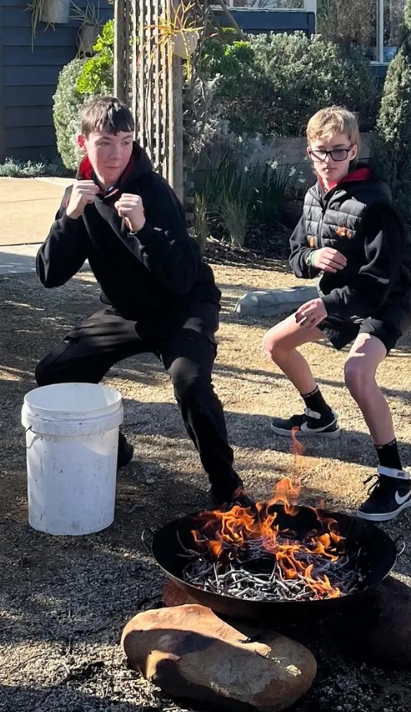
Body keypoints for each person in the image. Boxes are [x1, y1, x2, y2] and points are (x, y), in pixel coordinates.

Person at [34, 96, 247, 508]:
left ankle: (227, 485)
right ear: (83, 142)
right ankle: (116, 446)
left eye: (126, 142)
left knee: (191, 382)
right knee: (54, 373)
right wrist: (69, 219)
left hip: (184, 306)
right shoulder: (78, 195)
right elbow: (49, 275)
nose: (117, 154)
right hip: (126, 311)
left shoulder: (152, 191)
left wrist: (145, 229)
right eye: (106, 142)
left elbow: (182, 277)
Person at [261, 106, 411, 522]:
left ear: (354, 150)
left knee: (357, 373)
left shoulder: (376, 205)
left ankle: (395, 478)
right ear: (308, 151)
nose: (328, 161)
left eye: (338, 151)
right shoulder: (314, 196)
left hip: (387, 300)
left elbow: (379, 281)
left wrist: (328, 304)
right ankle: (320, 414)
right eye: (320, 152)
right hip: (341, 299)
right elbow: (295, 255)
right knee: (274, 343)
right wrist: (313, 256)